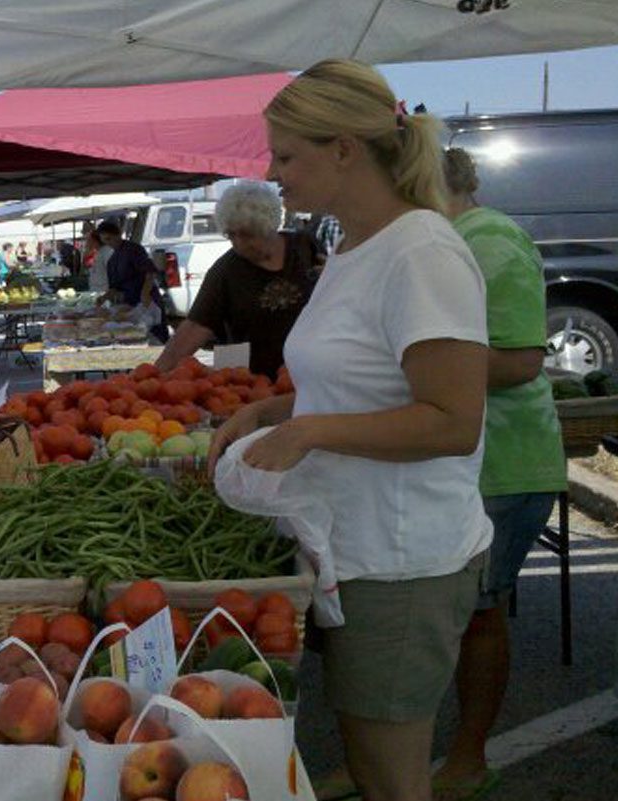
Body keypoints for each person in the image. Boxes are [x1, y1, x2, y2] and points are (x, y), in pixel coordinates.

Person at [209, 60, 492, 801]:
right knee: (368, 758)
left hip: (404, 559)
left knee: (393, 776)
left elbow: (454, 420)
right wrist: (273, 410)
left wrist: (309, 432)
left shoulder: (422, 252)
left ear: (344, 149)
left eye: (286, 155)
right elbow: (356, 377)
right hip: (353, 543)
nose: (273, 175)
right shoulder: (352, 246)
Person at [427, 149, 567, 801]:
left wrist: (406, 367)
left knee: (478, 613)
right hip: (461, 461)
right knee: (445, 614)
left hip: (504, 463)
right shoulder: (445, 237)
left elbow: (520, 360)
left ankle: (469, 756)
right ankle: (417, 751)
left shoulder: (491, 239)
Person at [155, 181, 322, 377]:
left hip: (314, 374)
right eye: (231, 235)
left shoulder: (305, 248)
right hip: (257, 384)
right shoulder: (226, 271)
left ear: (269, 226)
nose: (239, 244)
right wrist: (153, 375)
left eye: (247, 235)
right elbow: (194, 327)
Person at [96, 219, 169, 342]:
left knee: (156, 337)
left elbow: (149, 272)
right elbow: (115, 287)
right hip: (131, 304)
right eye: (104, 241)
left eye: (109, 239)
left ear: (118, 234)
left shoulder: (134, 249)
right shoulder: (112, 260)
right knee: (136, 336)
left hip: (147, 301)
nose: (108, 243)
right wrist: (104, 298)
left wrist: (145, 293)